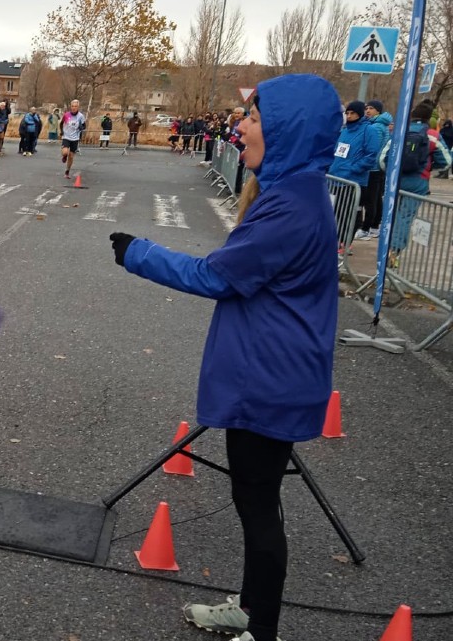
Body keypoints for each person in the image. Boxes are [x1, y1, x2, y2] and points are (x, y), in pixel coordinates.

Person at [109, 74, 343, 641]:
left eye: (255, 119)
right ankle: (252, 609)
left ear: (288, 131)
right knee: (253, 498)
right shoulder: (294, 192)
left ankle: (261, 627)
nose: (240, 127)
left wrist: (139, 252)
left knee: (258, 504)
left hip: (271, 379)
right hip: (271, 372)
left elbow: (218, 275)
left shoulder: (290, 206)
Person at [382, 101, 451, 257]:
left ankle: (384, 249)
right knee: (405, 216)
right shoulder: (433, 135)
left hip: (395, 180)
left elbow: (382, 158)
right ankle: (394, 252)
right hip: (418, 181)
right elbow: (446, 162)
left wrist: (392, 172)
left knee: (390, 215)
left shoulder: (399, 131)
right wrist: (431, 167)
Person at [327, 102, 383, 242]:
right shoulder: (344, 130)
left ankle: (344, 244)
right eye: (348, 113)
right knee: (334, 214)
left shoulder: (369, 131)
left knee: (347, 215)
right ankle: (335, 242)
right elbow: (336, 151)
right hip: (336, 178)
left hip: (353, 181)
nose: (350, 116)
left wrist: (354, 168)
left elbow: (371, 155)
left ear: (360, 114)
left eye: (353, 113)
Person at [359, 100, 393, 236]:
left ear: (378, 111)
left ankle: (366, 228)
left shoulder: (377, 126)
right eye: (366, 108)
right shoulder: (379, 124)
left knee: (370, 199)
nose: (367, 111)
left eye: (371, 108)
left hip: (373, 167)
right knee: (376, 198)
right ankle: (374, 226)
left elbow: (374, 147)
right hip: (378, 167)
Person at [60, 99, 86, 178]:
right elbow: (61, 123)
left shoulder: (81, 116)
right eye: (72, 106)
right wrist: (61, 131)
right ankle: (64, 156)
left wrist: (81, 127)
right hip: (66, 137)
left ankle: (67, 171)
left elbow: (84, 126)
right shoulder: (66, 115)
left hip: (75, 138)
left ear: (78, 107)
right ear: (70, 107)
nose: (74, 108)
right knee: (65, 152)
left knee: (71, 156)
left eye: (75, 106)